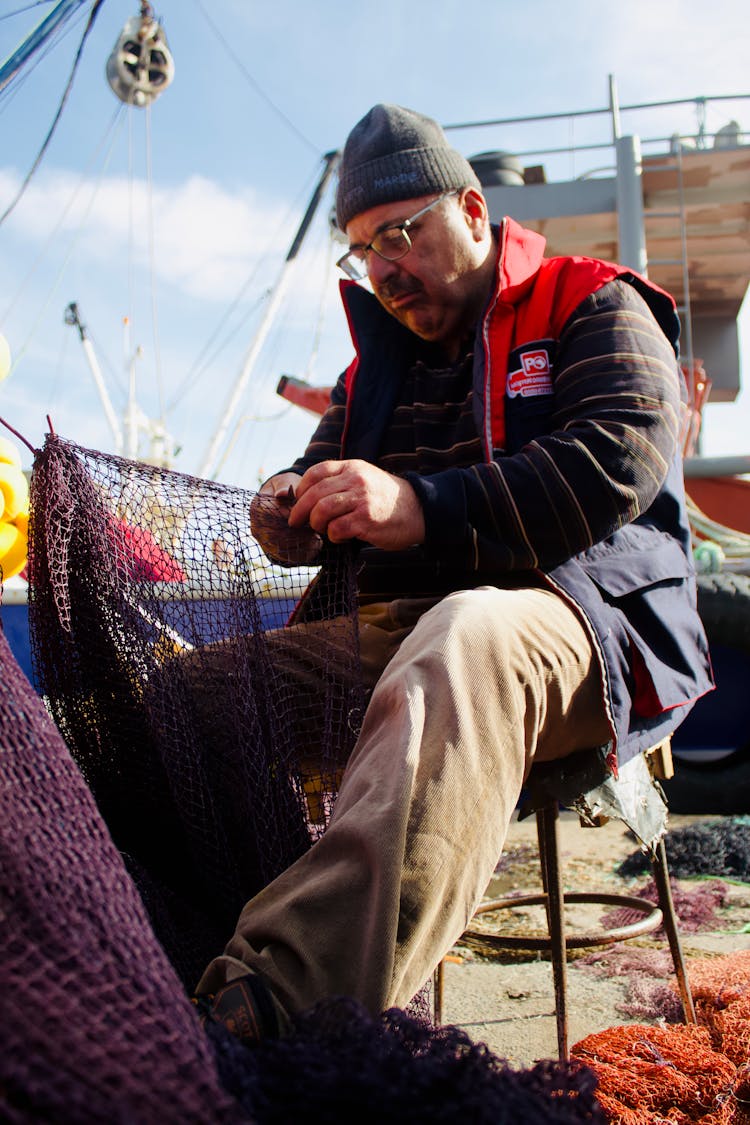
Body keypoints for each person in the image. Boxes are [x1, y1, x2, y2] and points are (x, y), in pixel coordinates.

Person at [195, 103, 713, 1041]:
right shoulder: (372, 372)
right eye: (363, 252)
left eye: (402, 233)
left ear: (474, 211)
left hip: (579, 622)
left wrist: (417, 507)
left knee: (464, 633)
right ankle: (163, 927)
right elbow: (313, 478)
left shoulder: (590, 301)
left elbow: (620, 458)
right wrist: (290, 506)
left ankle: (279, 1005)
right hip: (404, 632)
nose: (386, 269)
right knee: (190, 694)